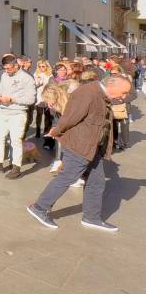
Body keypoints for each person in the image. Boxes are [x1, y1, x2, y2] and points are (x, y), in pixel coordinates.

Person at [27, 75, 132, 232]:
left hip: (92, 146)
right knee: (67, 177)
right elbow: (70, 117)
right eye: (123, 92)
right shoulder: (87, 93)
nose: (124, 96)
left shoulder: (99, 94)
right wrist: (56, 131)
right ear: (112, 85)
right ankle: (39, 207)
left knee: (96, 182)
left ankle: (91, 217)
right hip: (80, 145)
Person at [0, 55, 36, 179]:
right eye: (5, 68)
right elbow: (0, 90)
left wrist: (12, 99)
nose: (7, 71)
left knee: (15, 141)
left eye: (9, 68)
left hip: (17, 113)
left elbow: (31, 99)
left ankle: (16, 167)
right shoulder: (4, 75)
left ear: (16, 65)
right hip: (3, 111)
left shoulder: (27, 78)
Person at [32, 60, 53, 139]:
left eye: (43, 66)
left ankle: (46, 131)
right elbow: (34, 85)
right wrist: (38, 82)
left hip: (47, 98)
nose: (41, 68)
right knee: (39, 115)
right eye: (39, 66)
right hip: (39, 97)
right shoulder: (36, 74)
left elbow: (51, 86)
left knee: (47, 116)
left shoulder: (50, 75)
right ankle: (37, 130)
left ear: (47, 66)